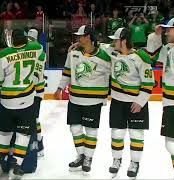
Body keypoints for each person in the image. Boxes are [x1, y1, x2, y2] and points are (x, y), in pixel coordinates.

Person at [54, 25, 111, 173]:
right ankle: (81, 155)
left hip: (94, 100)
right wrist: (60, 88)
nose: (78, 38)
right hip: (75, 99)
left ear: (89, 37)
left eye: (81, 36)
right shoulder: (73, 53)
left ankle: (88, 158)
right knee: (75, 128)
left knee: (91, 130)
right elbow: (67, 72)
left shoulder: (104, 55)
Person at [0, 28, 45, 179]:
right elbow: (41, 56)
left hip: (8, 102)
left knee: (5, 132)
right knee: (24, 133)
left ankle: (0, 162)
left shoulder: (3, 54)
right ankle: (16, 164)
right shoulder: (36, 48)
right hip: (27, 100)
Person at [106, 28, 155, 178]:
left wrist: (140, 102)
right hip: (117, 102)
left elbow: (149, 83)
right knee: (117, 133)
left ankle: (135, 163)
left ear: (124, 41)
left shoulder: (141, 57)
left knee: (136, 134)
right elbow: (97, 47)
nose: (113, 42)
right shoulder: (112, 52)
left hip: (136, 103)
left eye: (116, 40)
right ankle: (116, 160)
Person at [148, 17, 174, 179]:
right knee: (171, 143)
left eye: (169, 29)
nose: (166, 32)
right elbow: (152, 55)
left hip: (172, 102)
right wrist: (156, 36)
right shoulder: (168, 48)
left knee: (171, 142)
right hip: (170, 102)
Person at [27, 28, 45, 157]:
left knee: (31, 118)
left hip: (30, 89)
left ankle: (37, 144)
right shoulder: (41, 50)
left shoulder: (32, 48)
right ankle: (39, 144)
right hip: (38, 90)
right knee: (35, 118)